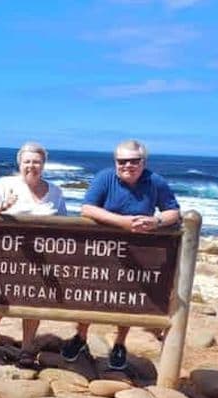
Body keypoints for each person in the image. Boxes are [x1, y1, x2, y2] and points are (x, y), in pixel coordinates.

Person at [61, 139, 180, 370]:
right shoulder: (105, 178)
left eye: (134, 161)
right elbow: (87, 208)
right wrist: (122, 222)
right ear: (115, 162)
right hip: (101, 250)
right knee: (90, 294)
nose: (128, 165)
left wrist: (156, 221)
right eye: (122, 161)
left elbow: (173, 211)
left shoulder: (155, 181)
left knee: (128, 297)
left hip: (138, 251)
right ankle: (81, 337)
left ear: (143, 162)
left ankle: (119, 343)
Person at [0, 142, 67, 368]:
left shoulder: (55, 192)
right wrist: (4, 206)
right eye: (27, 161)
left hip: (41, 257)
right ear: (19, 163)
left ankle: (27, 347)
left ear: (43, 164)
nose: (31, 166)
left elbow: (65, 224)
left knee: (34, 299)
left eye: (36, 162)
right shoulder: (5, 185)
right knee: (2, 294)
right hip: (7, 254)